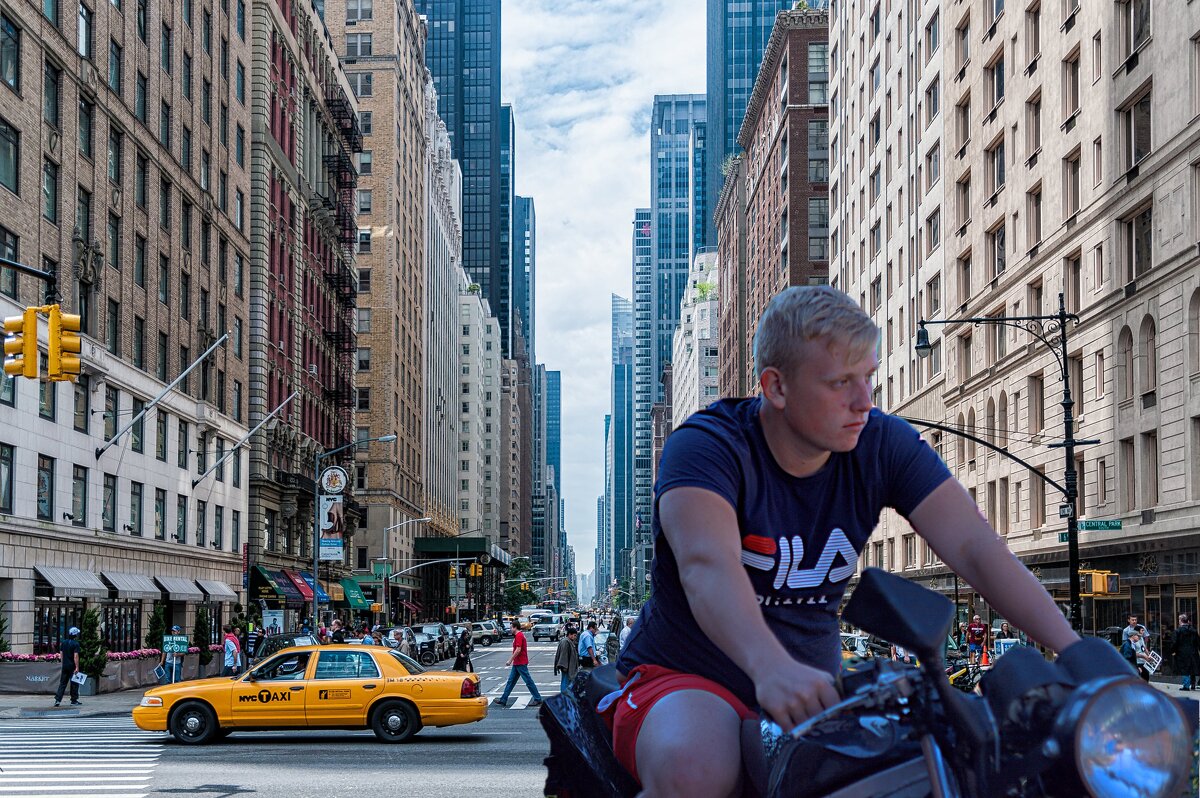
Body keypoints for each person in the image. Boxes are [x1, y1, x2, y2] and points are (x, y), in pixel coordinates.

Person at [612, 286, 1081, 797]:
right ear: (776, 386)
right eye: (840, 383)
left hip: (817, 691)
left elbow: (977, 549)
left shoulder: (883, 443)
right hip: (686, 675)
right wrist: (770, 667)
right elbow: (707, 566)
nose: (864, 401)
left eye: (869, 377)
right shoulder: (706, 447)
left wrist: (1081, 657)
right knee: (695, 769)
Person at [494, 620, 543, 708]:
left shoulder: (519, 635)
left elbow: (518, 649)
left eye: (511, 627)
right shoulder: (518, 635)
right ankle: (503, 699)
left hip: (520, 662)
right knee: (511, 681)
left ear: (515, 627)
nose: (510, 629)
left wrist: (510, 660)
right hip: (518, 662)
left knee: (528, 681)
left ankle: (538, 698)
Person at [54, 626, 82, 707]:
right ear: (75, 635)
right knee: (74, 683)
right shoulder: (76, 644)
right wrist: (77, 667)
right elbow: (76, 656)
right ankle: (74, 700)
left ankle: (57, 700)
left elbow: (61, 654)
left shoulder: (64, 642)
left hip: (65, 666)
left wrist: (63, 663)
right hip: (72, 666)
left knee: (62, 683)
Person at [1171, 613, 1199, 691]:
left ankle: (1186, 685)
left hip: (1182, 653)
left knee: (1184, 669)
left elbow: (1174, 643)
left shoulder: (1178, 631)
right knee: (1192, 667)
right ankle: (1193, 683)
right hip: (1193, 652)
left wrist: (1173, 651)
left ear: (1180, 621)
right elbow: (1198, 642)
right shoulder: (1193, 630)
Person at [555, 627, 581, 694]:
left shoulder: (568, 641)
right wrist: (564, 666)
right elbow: (564, 655)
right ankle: (564, 696)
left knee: (567, 682)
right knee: (565, 682)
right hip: (566, 666)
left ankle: (566, 695)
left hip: (568, 666)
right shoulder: (566, 642)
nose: (575, 637)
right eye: (574, 635)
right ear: (570, 634)